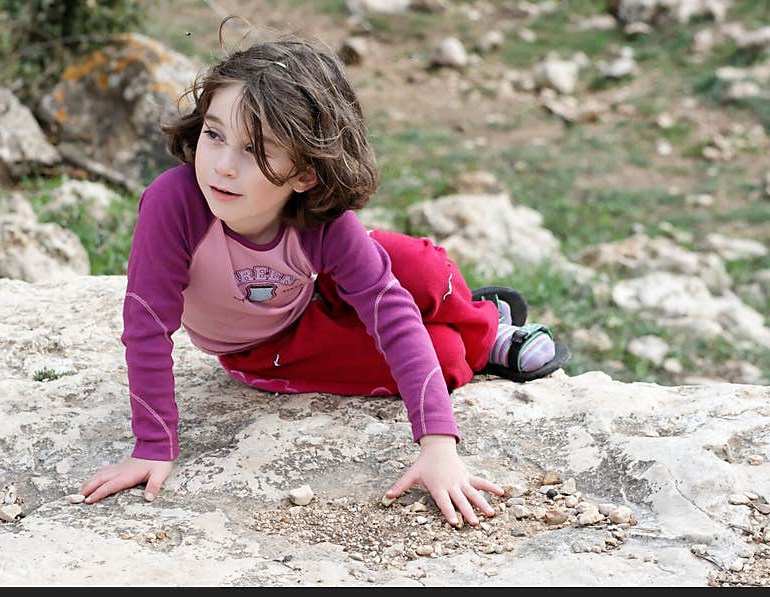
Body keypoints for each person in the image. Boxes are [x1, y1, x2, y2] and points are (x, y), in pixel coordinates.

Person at [80, 20, 569, 527]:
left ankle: (486, 324)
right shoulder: (173, 204)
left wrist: (439, 447)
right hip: (270, 343)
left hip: (319, 284)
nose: (223, 165)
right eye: (214, 134)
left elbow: (390, 310)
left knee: (422, 269)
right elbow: (148, 326)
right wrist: (153, 446)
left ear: (306, 172)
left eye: (255, 149)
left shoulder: (324, 220)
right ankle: (475, 339)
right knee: (444, 355)